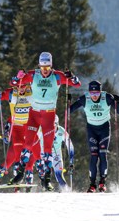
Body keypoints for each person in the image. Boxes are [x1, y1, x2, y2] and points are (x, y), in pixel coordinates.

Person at [12, 52, 80, 190]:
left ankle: (46, 180)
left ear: (51, 66)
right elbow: (14, 83)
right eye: (43, 68)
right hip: (34, 114)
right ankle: (20, 173)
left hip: (49, 115)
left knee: (48, 149)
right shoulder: (33, 75)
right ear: (39, 66)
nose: (44, 71)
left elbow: (77, 84)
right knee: (28, 144)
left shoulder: (57, 76)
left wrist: (71, 77)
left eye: (47, 68)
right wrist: (17, 77)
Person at [68, 80, 119, 193]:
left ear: (100, 92)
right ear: (89, 92)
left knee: (102, 154)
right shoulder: (85, 98)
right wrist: (68, 103)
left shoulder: (107, 97)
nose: (94, 96)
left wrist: (118, 102)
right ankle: (92, 184)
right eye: (92, 93)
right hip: (92, 129)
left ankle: (102, 182)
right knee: (94, 155)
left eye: (97, 93)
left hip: (104, 129)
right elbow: (69, 110)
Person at [0, 73, 37, 185]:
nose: (21, 89)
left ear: (28, 85)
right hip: (18, 129)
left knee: (31, 157)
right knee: (12, 159)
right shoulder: (12, 93)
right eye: (19, 86)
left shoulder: (33, 92)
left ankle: (29, 180)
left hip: (30, 128)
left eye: (24, 86)